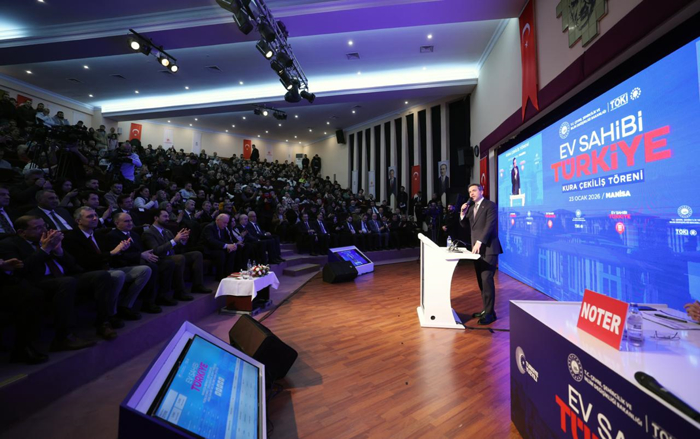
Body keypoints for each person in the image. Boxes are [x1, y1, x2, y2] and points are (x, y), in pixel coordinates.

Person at [0, 216, 119, 341]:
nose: (44, 230)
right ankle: (64, 336)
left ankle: (103, 323)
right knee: (67, 282)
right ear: (21, 232)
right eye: (37, 228)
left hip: (62, 277)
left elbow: (75, 266)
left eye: (44, 226)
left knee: (102, 275)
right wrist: (45, 249)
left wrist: (59, 251)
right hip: (37, 282)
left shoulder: (48, 241)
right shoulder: (9, 245)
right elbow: (21, 270)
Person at [63, 207, 152, 322]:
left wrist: (121, 250)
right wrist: (113, 252)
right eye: (90, 216)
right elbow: (84, 261)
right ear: (78, 221)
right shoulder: (71, 238)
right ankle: (111, 313)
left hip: (108, 268)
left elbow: (110, 255)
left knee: (145, 270)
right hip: (89, 272)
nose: (95, 218)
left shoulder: (98, 235)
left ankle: (125, 306)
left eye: (95, 215)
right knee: (118, 274)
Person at [141, 208, 212, 300]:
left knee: (197, 254)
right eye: (165, 216)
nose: (168, 218)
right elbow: (156, 251)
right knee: (179, 258)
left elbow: (177, 248)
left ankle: (197, 285)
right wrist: (175, 240)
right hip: (161, 258)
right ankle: (180, 292)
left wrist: (183, 241)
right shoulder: (148, 233)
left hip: (173, 255)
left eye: (168, 216)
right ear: (156, 218)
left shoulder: (167, 231)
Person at [460, 184, 502, 325]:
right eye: (469, 191)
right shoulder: (472, 208)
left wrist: (479, 241)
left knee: (486, 280)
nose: (471, 193)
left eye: (474, 190)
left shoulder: (490, 206)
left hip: (489, 249)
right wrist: (462, 213)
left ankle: (490, 315)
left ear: (481, 191)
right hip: (476, 251)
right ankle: (487, 310)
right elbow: (466, 226)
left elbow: (489, 226)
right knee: (481, 282)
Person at [199, 213, 237, 280]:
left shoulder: (222, 227)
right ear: (218, 220)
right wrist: (226, 246)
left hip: (216, 247)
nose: (226, 225)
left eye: (227, 223)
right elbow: (211, 241)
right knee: (221, 254)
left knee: (232, 251)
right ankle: (219, 276)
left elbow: (224, 239)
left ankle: (228, 274)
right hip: (207, 249)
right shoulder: (209, 227)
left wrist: (231, 245)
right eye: (224, 223)